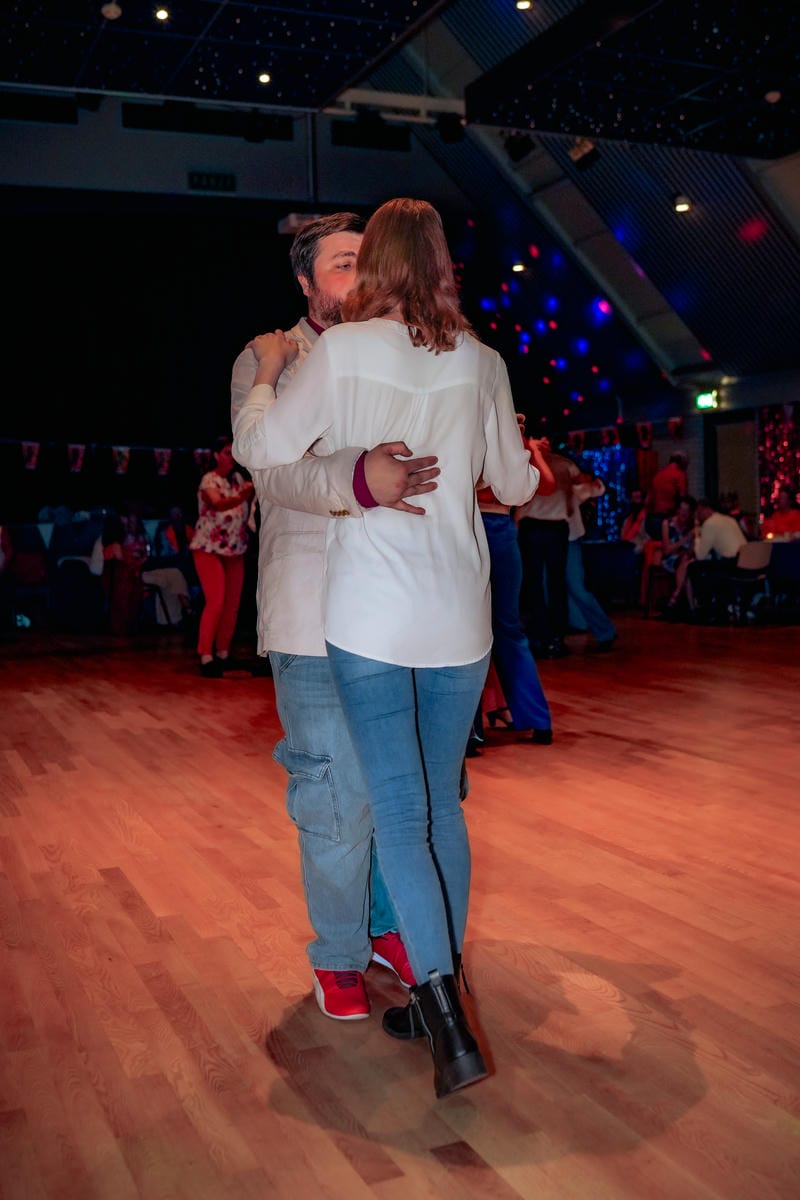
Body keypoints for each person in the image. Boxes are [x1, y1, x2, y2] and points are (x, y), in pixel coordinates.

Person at [233, 197, 540, 1098]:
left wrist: (273, 380)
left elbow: (261, 443)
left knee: (403, 813)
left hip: (370, 615)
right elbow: (516, 482)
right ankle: (424, 988)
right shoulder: (482, 359)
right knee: (430, 807)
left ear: (379, 267)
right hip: (457, 617)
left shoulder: (341, 354)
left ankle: (441, 1005)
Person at [231, 212, 436, 1022]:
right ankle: (340, 953)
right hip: (311, 610)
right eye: (343, 263)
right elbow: (276, 474)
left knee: (399, 789)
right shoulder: (270, 356)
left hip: (399, 608)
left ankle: (385, 928)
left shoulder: (403, 352)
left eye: (366, 261)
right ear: (306, 281)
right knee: (335, 795)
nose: (359, 275)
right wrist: (361, 480)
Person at [476, 422, 556, 744]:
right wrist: (531, 449)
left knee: (470, 629)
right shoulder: (514, 434)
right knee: (508, 630)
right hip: (502, 527)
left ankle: (470, 733)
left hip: (473, 526)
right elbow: (546, 485)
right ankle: (536, 720)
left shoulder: (472, 426)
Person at [189, 437, 254, 675]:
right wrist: (243, 496)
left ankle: (223, 653)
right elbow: (217, 504)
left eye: (233, 452)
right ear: (216, 455)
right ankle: (206, 655)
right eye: (227, 452)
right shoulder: (209, 480)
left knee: (232, 605)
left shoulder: (237, 480)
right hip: (209, 548)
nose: (231, 457)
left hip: (235, 549)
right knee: (216, 601)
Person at [517, 445, 580, 658]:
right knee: (556, 583)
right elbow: (579, 487)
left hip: (532, 527)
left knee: (534, 583)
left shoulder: (525, 460)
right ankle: (557, 637)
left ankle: (541, 636)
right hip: (556, 527)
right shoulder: (566, 464)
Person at [566, 468, 618, 650]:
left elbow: (598, 489)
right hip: (560, 536)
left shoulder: (566, 469)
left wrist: (591, 481)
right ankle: (579, 623)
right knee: (565, 586)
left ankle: (601, 629)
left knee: (574, 586)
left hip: (568, 537)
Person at [687, 497, 747, 614]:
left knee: (694, 567)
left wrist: (697, 535)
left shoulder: (709, 523)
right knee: (714, 566)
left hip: (733, 564)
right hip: (746, 560)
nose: (698, 516)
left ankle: (704, 605)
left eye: (699, 512)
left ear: (706, 509)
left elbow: (700, 556)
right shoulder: (729, 519)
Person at [658, 495, 696, 612]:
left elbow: (691, 550)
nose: (684, 513)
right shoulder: (667, 523)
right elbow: (666, 550)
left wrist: (692, 541)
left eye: (687, 510)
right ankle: (687, 604)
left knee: (687, 564)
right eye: (682, 509)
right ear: (677, 510)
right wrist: (685, 539)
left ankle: (678, 597)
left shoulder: (692, 525)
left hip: (686, 559)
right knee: (685, 565)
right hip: (670, 559)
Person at [644, 453, 689, 540]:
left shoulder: (657, 475)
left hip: (651, 521)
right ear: (682, 463)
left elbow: (647, 502)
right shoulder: (680, 474)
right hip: (668, 519)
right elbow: (683, 498)